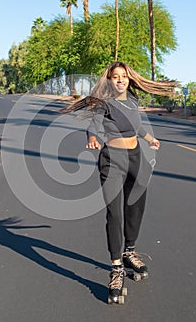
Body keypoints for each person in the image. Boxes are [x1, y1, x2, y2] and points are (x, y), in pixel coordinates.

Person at [61, 61, 176, 304]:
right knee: (115, 213)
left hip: (137, 159)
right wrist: (92, 137)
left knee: (135, 208)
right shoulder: (104, 104)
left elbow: (137, 125)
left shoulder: (132, 100)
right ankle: (116, 269)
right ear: (110, 80)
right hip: (112, 160)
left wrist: (149, 138)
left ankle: (129, 252)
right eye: (116, 76)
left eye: (124, 76)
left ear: (129, 80)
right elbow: (93, 127)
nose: (120, 79)